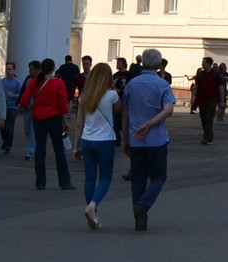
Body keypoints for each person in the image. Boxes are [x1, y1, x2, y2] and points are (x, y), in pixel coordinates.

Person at [123, 49, 174, 230]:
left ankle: (139, 216)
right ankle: (143, 205)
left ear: (142, 63)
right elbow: (168, 110)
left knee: (137, 178)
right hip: (156, 139)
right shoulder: (162, 85)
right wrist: (150, 124)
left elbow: (125, 112)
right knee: (159, 176)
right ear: (159, 65)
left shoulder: (131, 84)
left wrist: (125, 138)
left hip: (135, 139)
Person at [75, 62, 117, 228]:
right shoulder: (112, 95)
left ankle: (93, 213)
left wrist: (76, 146)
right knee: (105, 177)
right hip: (106, 140)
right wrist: (113, 87)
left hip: (87, 140)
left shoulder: (84, 97)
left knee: (89, 178)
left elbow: (79, 123)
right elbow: (120, 110)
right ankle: (92, 206)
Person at [19, 60, 73, 190]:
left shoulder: (34, 82)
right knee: (59, 151)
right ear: (53, 69)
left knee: (40, 150)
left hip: (38, 119)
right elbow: (62, 104)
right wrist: (65, 121)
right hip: (54, 119)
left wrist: (32, 107)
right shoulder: (58, 83)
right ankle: (64, 181)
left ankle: (40, 182)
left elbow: (24, 100)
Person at [191, 57, 223, 145]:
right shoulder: (200, 74)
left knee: (209, 118)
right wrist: (193, 96)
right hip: (202, 100)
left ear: (208, 64)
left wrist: (222, 100)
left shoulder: (216, 74)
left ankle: (208, 137)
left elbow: (220, 88)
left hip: (212, 100)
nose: (202, 64)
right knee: (203, 118)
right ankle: (207, 135)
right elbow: (196, 86)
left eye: (203, 62)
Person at [0, 60, 24, 155]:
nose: (8, 71)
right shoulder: (2, 81)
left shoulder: (17, 82)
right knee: (2, 127)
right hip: (3, 107)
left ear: (14, 70)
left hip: (13, 107)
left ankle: (8, 146)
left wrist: (13, 96)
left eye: (10, 69)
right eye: (7, 69)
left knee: (10, 127)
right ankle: (5, 141)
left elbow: (21, 95)